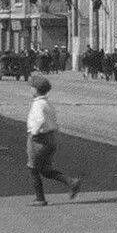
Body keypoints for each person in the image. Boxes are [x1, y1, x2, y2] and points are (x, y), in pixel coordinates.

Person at [24, 75, 82, 206]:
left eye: (31, 87)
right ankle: (71, 182)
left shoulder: (38, 104)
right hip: (50, 138)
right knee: (44, 169)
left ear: (35, 89)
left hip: (38, 140)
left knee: (32, 168)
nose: (30, 90)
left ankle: (40, 198)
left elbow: (39, 120)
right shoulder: (47, 103)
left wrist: (34, 133)